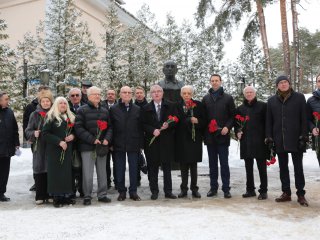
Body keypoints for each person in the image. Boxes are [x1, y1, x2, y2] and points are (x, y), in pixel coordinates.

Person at [266, 75, 309, 206]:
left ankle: (301, 194)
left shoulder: (299, 98)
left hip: (296, 138)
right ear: (277, 85)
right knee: (283, 167)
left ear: (289, 84)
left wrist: (304, 136)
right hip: (280, 139)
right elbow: (269, 121)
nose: (283, 84)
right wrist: (269, 137)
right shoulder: (271, 101)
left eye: (285, 82)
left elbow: (304, 118)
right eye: (281, 83)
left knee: (298, 168)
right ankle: (286, 193)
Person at [75, 86, 112, 206]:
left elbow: (110, 127)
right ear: (88, 96)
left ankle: (102, 194)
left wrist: (106, 139)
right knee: (87, 173)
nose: (97, 96)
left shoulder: (105, 110)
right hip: (87, 147)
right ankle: (87, 195)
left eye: (99, 94)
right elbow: (78, 128)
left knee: (102, 172)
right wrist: (92, 140)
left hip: (101, 146)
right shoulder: (82, 110)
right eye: (95, 94)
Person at [141, 85, 178, 200]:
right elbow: (142, 124)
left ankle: (168, 191)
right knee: (153, 168)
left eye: (158, 91)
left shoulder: (171, 106)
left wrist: (169, 124)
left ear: (162, 93)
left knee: (167, 167)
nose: (156, 94)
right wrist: (152, 130)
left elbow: (176, 120)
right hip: (152, 143)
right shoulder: (146, 108)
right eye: (153, 92)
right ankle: (154, 191)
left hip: (166, 142)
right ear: (150, 94)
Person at [202, 74, 235, 198]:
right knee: (212, 164)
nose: (214, 82)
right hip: (210, 136)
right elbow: (203, 118)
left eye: (217, 80)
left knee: (224, 164)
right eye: (212, 81)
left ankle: (226, 188)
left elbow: (233, 115)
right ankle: (213, 187)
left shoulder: (228, 98)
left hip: (223, 135)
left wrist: (227, 127)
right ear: (210, 82)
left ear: (221, 82)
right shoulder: (206, 99)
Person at [110, 86, 143, 201]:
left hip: (133, 143)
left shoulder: (137, 109)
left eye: (129, 92)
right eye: (124, 92)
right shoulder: (113, 109)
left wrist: (141, 145)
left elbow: (140, 128)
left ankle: (133, 191)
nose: (127, 94)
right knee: (119, 168)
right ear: (120, 94)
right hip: (118, 143)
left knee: (134, 168)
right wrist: (111, 143)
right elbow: (111, 127)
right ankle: (121, 191)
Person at [235, 86, 268, 200]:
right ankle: (250, 190)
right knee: (248, 167)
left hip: (260, 141)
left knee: (261, 168)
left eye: (251, 92)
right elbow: (237, 124)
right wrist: (238, 132)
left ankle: (263, 191)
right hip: (246, 142)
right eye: (247, 92)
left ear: (255, 93)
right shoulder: (240, 108)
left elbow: (267, 123)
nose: (249, 94)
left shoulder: (263, 106)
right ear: (244, 95)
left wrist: (268, 137)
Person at [42, 97, 75, 207]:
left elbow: (76, 131)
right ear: (56, 104)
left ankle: (66, 196)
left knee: (66, 173)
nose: (63, 105)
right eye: (60, 103)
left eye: (65, 103)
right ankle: (57, 197)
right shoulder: (51, 117)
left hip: (67, 150)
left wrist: (73, 136)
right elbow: (45, 134)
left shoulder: (71, 117)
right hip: (55, 150)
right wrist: (59, 142)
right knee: (56, 174)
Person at [175, 85, 206, 198]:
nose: (186, 95)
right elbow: (176, 121)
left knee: (193, 166)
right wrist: (188, 120)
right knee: (183, 166)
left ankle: (194, 188)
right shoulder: (177, 105)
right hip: (182, 139)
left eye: (189, 93)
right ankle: (183, 189)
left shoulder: (198, 105)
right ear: (181, 94)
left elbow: (204, 121)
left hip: (194, 139)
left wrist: (197, 121)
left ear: (192, 94)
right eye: (184, 93)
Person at [25, 90, 54, 204]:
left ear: (51, 102)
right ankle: (40, 195)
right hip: (39, 146)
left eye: (48, 101)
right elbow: (28, 130)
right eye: (43, 101)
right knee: (39, 168)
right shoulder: (34, 114)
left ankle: (50, 193)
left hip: (51, 146)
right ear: (40, 102)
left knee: (50, 169)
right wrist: (33, 133)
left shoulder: (54, 113)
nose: (46, 103)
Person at [23, 85, 50, 192]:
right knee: (38, 164)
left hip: (50, 143)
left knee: (49, 166)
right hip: (37, 141)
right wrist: (30, 136)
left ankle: (49, 191)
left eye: (46, 91)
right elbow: (27, 125)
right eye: (42, 92)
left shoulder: (53, 109)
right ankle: (39, 188)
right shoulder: (31, 108)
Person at [0, 92, 20, 202]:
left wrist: (16, 144)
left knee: (4, 172)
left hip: (7, 149)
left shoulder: (9, 112)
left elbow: (15, 129)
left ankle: (1, 193)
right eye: (6, 99)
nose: (8, 101)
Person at [67, 88, 84, 198]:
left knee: (83, 168)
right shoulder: (65, 107)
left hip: (84, 142)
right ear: (69, 97)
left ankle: (82, 189)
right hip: (70, 144)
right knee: (71, 168)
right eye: (72, 95)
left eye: (77, 95)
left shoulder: (86, 107)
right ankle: (71, 190)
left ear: (81, 96)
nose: (75, 97)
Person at [102, 89, 117, 189]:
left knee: (117, 163)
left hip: (116, 139)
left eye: (112, 94)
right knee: (105, 163)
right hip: (105, 139)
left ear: (115, 96)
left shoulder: (120, 105)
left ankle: (117, 182)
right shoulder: (101, 105)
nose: (110, 95)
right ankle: (107, 182)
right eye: (109, 94)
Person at [134, 86, 148, 185]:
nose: (139, 94)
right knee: (136, 159)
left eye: (140, 92)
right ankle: (137, 179)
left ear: (144, 94)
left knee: (150, 158)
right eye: (137, 93)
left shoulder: (149, 105)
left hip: (148, 135)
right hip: (137, 136)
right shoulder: (132, 106)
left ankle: (151, 179)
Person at [306, 73, 320, 167]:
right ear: (316, 83)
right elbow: (307, 119)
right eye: (319, 81)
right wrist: (312, 128)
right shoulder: (311, 100)